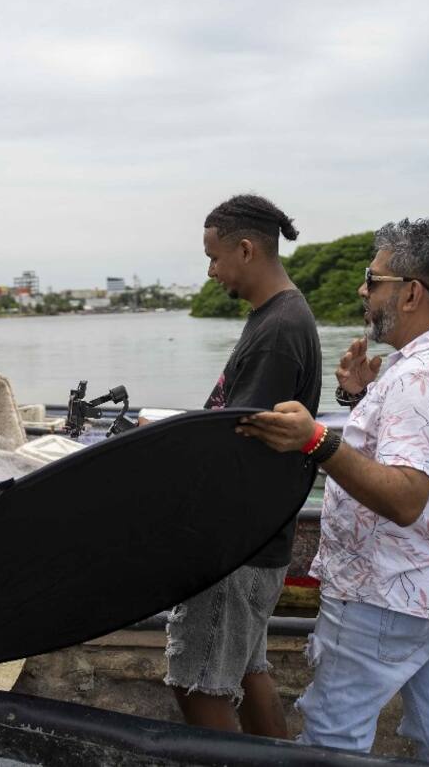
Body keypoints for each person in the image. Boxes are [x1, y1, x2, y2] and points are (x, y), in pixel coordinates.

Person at [238, 218, 429, 765]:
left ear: (411, 293)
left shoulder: (418, 379)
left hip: (389, 597)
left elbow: (405, 497)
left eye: (371, 279)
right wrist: (361, 399)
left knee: (332, 742)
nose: (362, 290)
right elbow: (425, 456)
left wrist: (315, 441)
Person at [162, 194, 321, 738]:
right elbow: (232, 418)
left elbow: (239, 446)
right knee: (250, 673)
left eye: (213, 257)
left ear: (247, 249)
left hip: (237, 547)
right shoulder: (278, 317)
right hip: (261, 540)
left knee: (198, 681)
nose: (210, 271)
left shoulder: (278, 331)